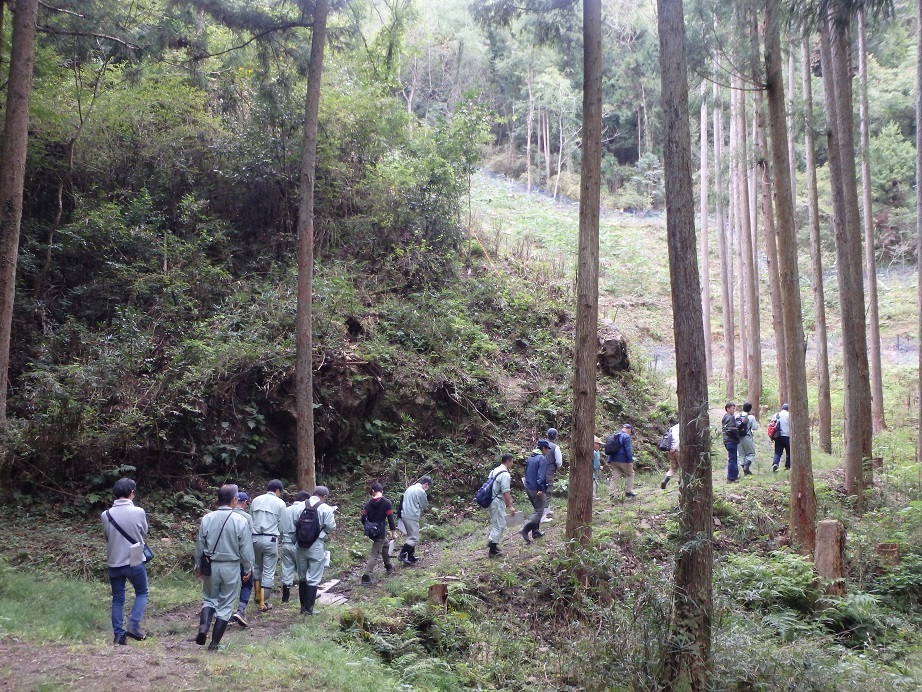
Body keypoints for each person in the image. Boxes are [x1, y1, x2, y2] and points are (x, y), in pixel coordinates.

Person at [194, 484, 254, 650]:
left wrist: (199, 564)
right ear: (234, 500)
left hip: (210, 565)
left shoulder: (207, 518)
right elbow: (246, 549)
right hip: (231, 566)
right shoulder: (241, 520)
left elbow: (200, 544)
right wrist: (248, 567)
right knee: (226, 603)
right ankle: (214, 644)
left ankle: (203, 628)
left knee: (209, 598)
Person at [101, 477, 150, 645]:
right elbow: (144, 532)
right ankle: (134, 625)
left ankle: (118, 635)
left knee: (118, 598)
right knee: (142, 592)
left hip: (114, 561)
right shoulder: (139, 512)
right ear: (131, 493)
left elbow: (107, 537)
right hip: (134, 559)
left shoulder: (105, 515)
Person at [296, 486, 337, 615]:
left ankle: (302, 607)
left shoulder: (299, 506)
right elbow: (331, 526)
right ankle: (309, 609)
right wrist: (322, 536)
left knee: (302, 576)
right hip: (316, 545)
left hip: (300, 545)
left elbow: (292, 524)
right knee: (313, 577)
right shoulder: (325, 508)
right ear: (324, 496)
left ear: (313, 494)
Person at [249, 479, 286, 612]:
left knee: (257, 567)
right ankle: (264, 602)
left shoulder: (256, 500)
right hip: (270, 539)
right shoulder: (280, 503)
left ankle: (258, 596)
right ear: (278, 491)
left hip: (254, 538)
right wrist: (278, 535)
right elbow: (282, 524)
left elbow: (250, 518)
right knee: (268, 571)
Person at [360, 483, 399, 584]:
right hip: (380, 531)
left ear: (373, 491)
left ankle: (388, 566)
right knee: (374, 554)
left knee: (385, 544)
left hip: (371, 532)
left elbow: (363, 519)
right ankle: (366, 577)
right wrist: (393, 533)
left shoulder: (368, 504)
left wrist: (369, 526)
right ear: (382, 491)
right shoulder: (386, 503)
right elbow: (390, 519)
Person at [279, 490, 310, 605]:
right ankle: (307, 595)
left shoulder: (286, 510)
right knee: (303, 570)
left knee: (287, 568)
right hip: (299, 544)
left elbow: (280, 526)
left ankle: (285, 597)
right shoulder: (304, 510)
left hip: (286, 543)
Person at [231, 492, 254, 627]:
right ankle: (240, 610)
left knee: (230, 585)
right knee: (247, 583)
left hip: (227, 557)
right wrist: (249, 564)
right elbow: (248, 540)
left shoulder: (224, 516)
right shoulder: (247, 517)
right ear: (244, 503)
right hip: (242, 557)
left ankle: (224, 613)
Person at [487, 453, 517, 556]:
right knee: (499, 525)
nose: (512, 464)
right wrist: (510, 506)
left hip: (491, 500)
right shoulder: (505, 474)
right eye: (512, 462)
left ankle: (492, 543)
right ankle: (492, 550)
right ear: (508, 461)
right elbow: (506, 491)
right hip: (497, 501)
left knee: (499, 523)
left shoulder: (495, 470)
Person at [398, 476, 431, 565]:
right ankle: (402, 555)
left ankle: (411, 556)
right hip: (412, 516)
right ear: (426, 484)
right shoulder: (421, 491)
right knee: (414, 538)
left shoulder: (410, 488)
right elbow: (424, 505)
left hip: (404, 515)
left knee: (410, 536)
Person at [519, 441, 548, 543]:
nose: (548, 451)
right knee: (539, 511)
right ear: (543, 448)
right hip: (536, 489)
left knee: (536, 509)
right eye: (547, 449)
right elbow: (541, 476)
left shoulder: (531, 457)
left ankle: (536, 532)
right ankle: (525, 530)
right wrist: (540, 489)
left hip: (528, 487)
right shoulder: (541, 459)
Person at [607, 423, 637, 498]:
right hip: (622, 459)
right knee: (630, 474)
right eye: (631, 431)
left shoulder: (615, 435)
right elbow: (628, 449)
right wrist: (630, 460)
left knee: (614, 477)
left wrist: (609, 459)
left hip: (612, 459)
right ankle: (628, 492)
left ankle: (612, 494)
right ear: (629, 429)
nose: (630, 433)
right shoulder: (626, 436)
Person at [543, 428, 563, 521]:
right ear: (555, 436)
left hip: (539, 471)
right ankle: (543, 516)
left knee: (543, 490)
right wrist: (557, 467)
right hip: (549, 472)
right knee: (548, 491)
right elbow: (559, 462)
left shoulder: (541, 445)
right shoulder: (555, 447)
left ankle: (547, 510)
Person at [738, 402, 760, 475]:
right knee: (751, 453)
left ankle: (744, 469)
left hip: (738, 438)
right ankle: (746, 467)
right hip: (747, 437)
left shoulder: (737, 415)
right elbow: (754, 427)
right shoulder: (751, 417)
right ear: (750, 409)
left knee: (741, 455)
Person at [722, 402, 741, 482]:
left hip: (727, 440)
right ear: (728, 409)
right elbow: (731, 430)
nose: (734, 410)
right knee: (732, 459)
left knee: (733, 458)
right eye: (732, 408)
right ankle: (731, 478)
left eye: (734, 408)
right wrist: (737, 438)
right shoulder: (730, 418)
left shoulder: (725, 417)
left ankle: (734, 475)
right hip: (731, 440)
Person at [772, 403, 791, 472]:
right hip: (787, 436)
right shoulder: (789, 415)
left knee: (777, 451)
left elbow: (772, 424)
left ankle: (775, 463)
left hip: (777, 436)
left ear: (782, 408)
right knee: (789, 452)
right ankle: (787, 467)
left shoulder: (776, 415)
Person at [661, 422, 681, 489]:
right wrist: (675, 448)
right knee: (683, 468)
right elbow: (679, 440)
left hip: (670, 451)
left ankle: (664, 481)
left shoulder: (673, 427)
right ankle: (681, 483)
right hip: (678, 450)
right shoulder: (683, 427)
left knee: (673, 468)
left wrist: (670, 449)